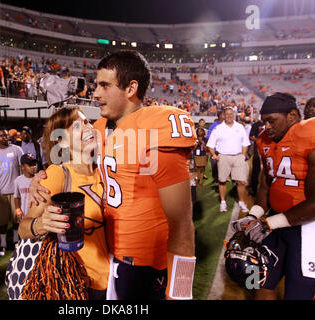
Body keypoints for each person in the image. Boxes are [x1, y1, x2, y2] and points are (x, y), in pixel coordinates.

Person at [31, 51, 197, 300]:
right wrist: (42, 175)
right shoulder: (98, 128)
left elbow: (182, 225)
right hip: (110, 258)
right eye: (97, 85)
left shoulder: (156, 127)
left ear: (131, 88)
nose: (95, 93)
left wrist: (181, 293)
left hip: (146, 265)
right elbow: (67, 153)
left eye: (104, 85)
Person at [231, 92, 315, 300]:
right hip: (276, 223)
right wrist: (254, 215)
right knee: (259, 280)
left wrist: (269, 223)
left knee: (299, 294)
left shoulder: (313, 134)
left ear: (293, 115)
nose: (266, 126)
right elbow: (266, 185)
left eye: (271, 121)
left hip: (311, 228)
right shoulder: (265, 141)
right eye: (264, 121)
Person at [19, 106, 109, 300]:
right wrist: (43, 224)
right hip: (81, 283)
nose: (88, 127)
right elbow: (24, 228)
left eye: (86, 122)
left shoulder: (105, 169)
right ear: (61, 140)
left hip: (116, 278)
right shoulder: (57, 174)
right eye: (77, 126)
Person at [207, 107, 251, 213]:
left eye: (231, 114)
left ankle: (241, 202)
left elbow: (245, 142)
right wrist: (215, 155)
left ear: (234, 114)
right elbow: (210, 144)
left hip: (238, 157)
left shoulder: (240, 127)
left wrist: (243, 155)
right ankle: (223, 202)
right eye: (227, 114)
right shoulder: (218, 128)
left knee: (241, 181)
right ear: (224, 115)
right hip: (223, 157)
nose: (229, 116)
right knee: (222, 181)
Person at [0, 129, 24, 256]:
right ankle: (3, 244)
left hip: (16, 191)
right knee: (2, 220)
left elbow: (23, 168)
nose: (5, 137)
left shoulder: (17, 150)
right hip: (1, 191)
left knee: (16, 218)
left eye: (6, 135)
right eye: (1, 135)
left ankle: (15, 240)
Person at [13, 155, 38, 219]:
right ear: (22, 167)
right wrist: (18, 211)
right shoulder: (18, 181)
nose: (33, 167)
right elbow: (17, 197)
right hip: (25, 213)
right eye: (30, 165)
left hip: (37, 212)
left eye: (34, 164)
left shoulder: (39, 178)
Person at [207, 110, 224, 185]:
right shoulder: (213, 126)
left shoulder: (226, 125)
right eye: (223, 114)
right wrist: (211, 150)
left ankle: (222, 181)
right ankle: (217, 182)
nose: (225, 115)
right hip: (215, 150)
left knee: (223, 167)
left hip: (224, 151)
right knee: (215, 167)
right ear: (219, 116)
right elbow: (208, 138)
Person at [248, 118, 265, 196]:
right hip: (257, 150)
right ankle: (253, 189)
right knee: (256, 171)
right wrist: (259, 140)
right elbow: (251, 136)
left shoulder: (271, 123)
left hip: (268, 151)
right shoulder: (256, 125)